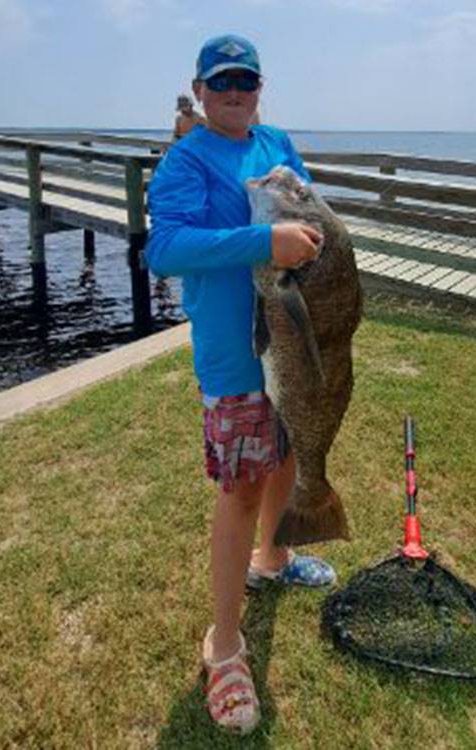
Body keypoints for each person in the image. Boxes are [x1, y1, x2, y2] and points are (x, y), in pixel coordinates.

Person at [145, 34, 333, 734]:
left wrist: (315, 233)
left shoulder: (275, 139)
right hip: (234, 357)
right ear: (198, 90)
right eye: (220, 81)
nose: (234, 92)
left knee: (289, 453)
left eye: (245, 81)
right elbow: (163, 249)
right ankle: (224, 645)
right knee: (241, 486)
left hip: (291, 338)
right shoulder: (184, 162)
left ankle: (274, 556)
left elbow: (307, 207)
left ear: (260, 88)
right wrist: (264, 243)